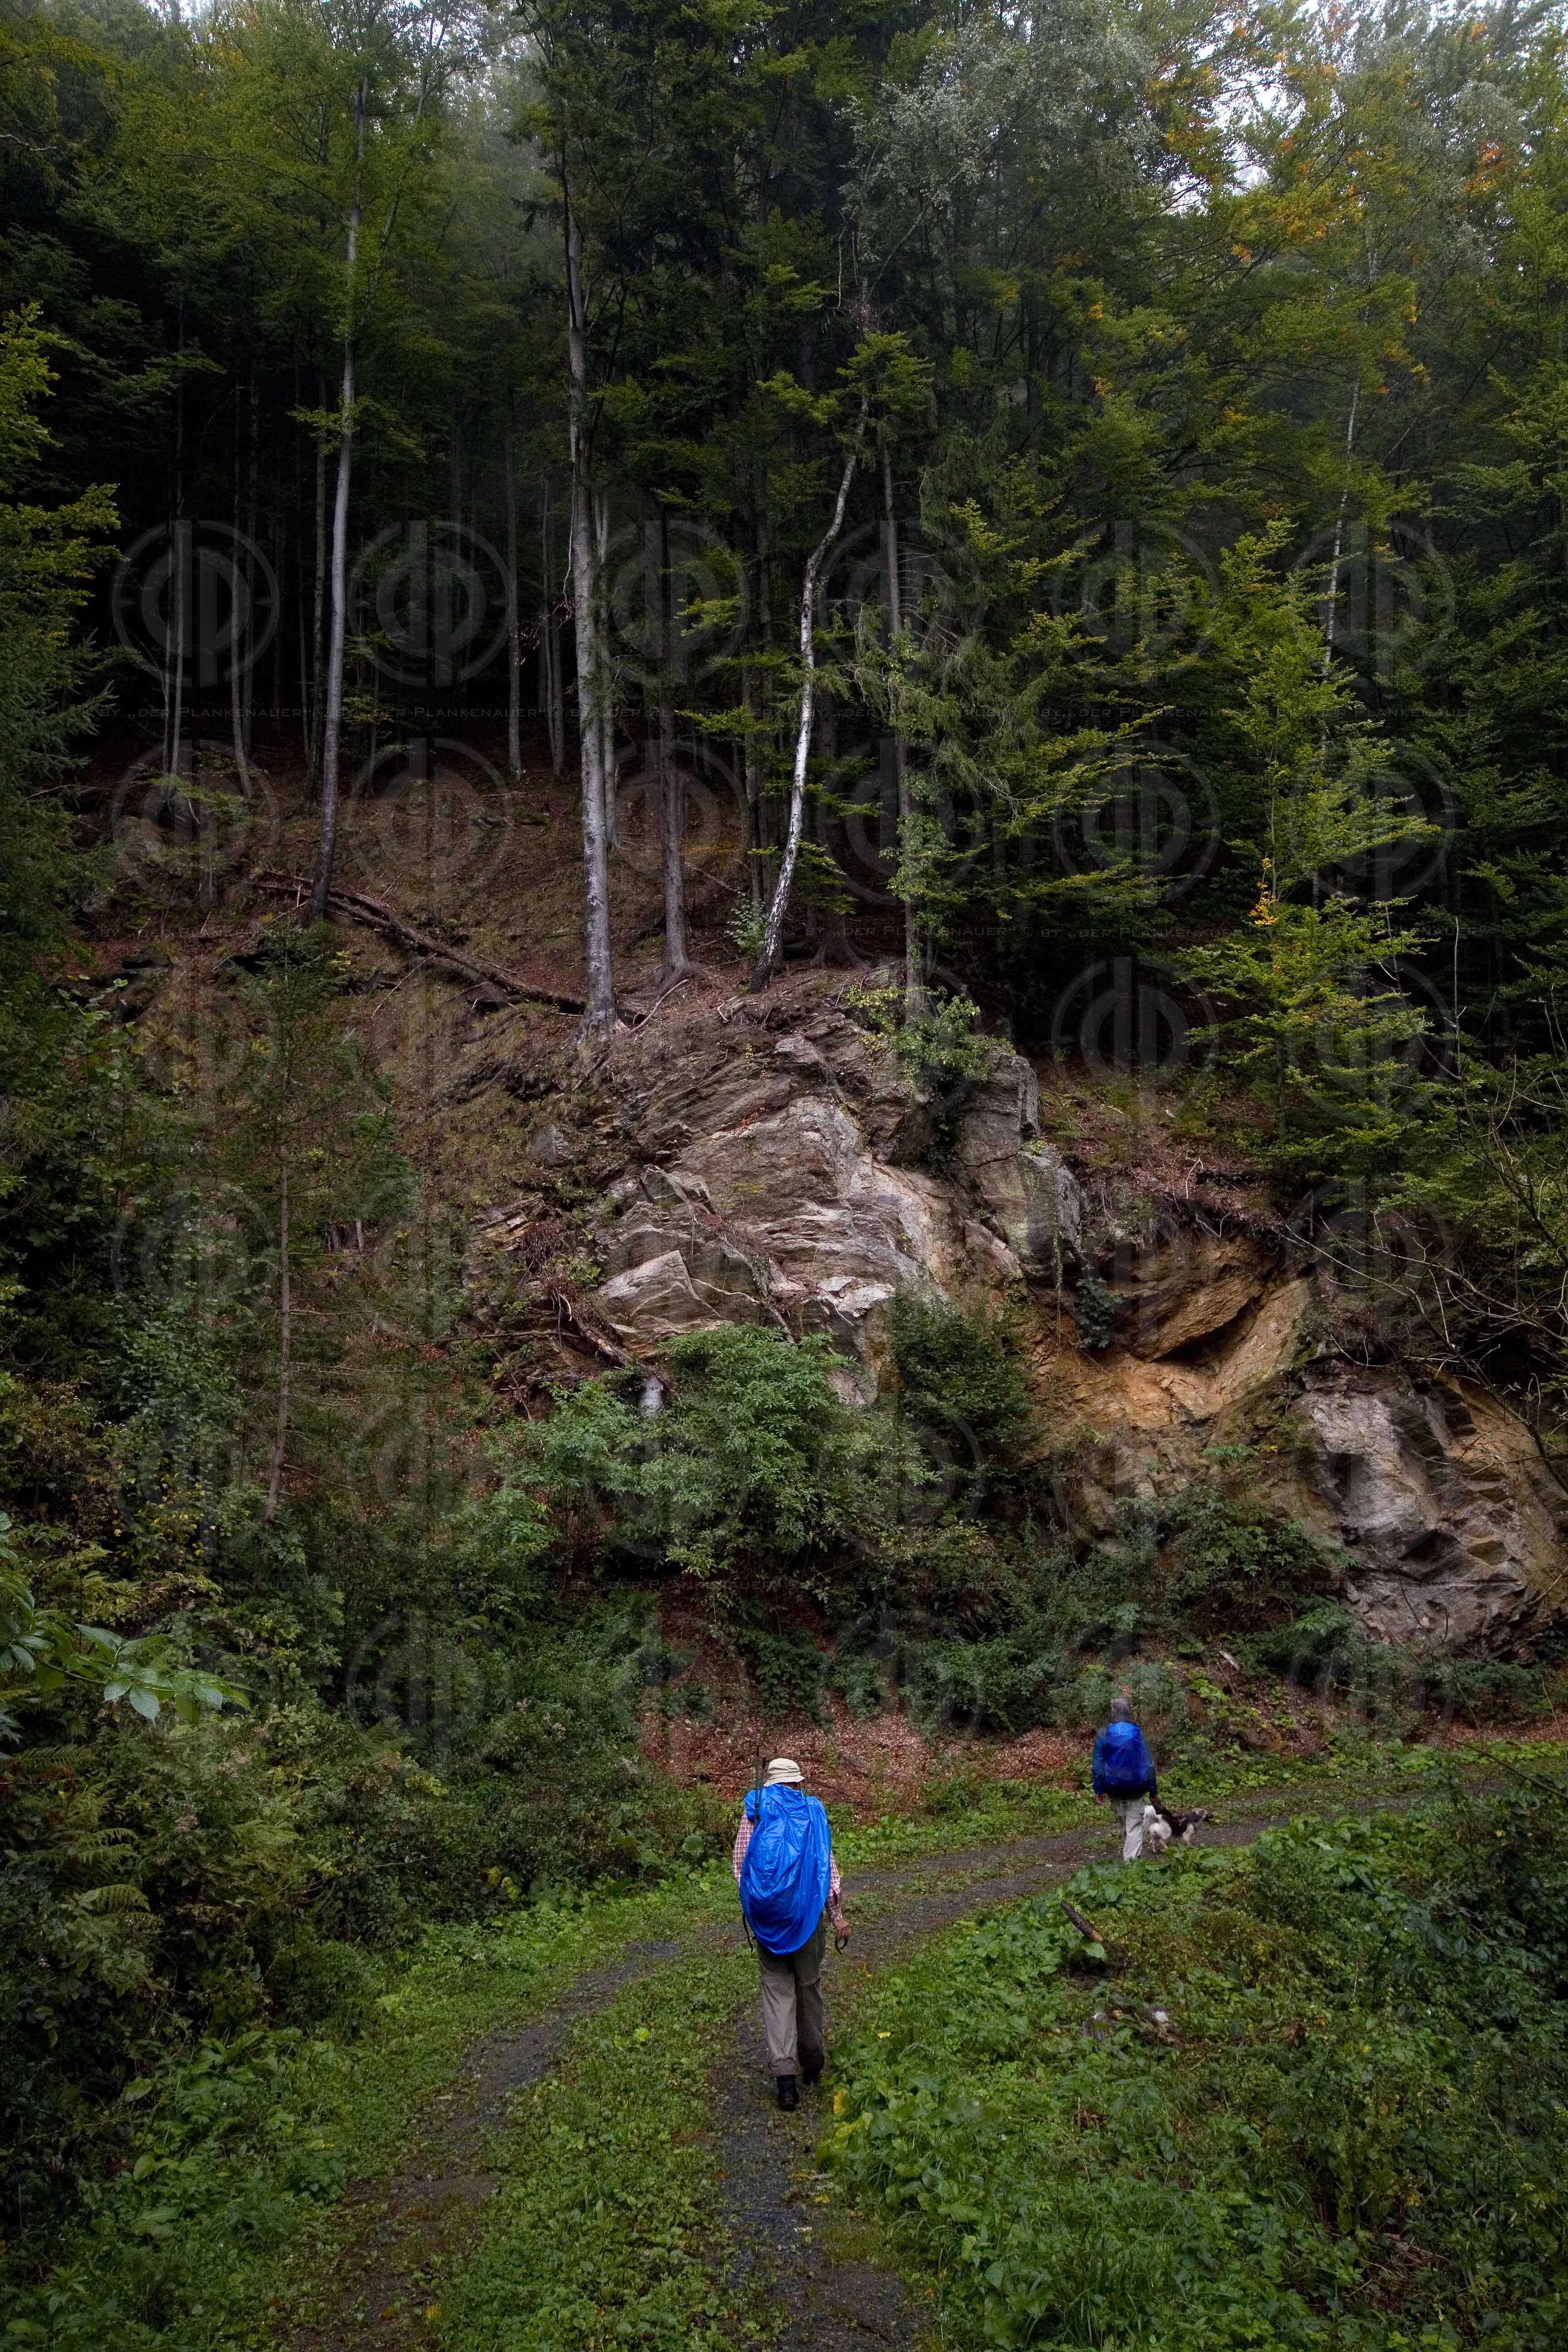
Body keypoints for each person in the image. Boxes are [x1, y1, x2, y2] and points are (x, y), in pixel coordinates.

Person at [733, 1757, 849, 2110]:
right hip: (808, 1919)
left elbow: (741, 1869)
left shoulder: (754, 1808)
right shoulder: (813, 1812)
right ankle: (812, 2062)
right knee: (808, 1986)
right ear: (797, 1784)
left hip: (769, 1923)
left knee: (776, 1991)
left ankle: (785, 2080)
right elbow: (825, 1868)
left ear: (770, 1784)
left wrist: (759, 1912)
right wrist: (838, 1916)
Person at [1092, 1711, 1158, 1860]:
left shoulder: (1104, 1733)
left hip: (1114, 1788)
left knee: (1124, 1823)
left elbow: (1098, 1765)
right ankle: (1132, 1865)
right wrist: (1153, 1791)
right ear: (1128, 1712)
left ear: (1113, 1712)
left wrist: (1099, 1789)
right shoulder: (1138, 1733)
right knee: (1134, 1826)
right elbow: (1149, 1764)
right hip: (1136, 1788)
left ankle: (1130, 1861)